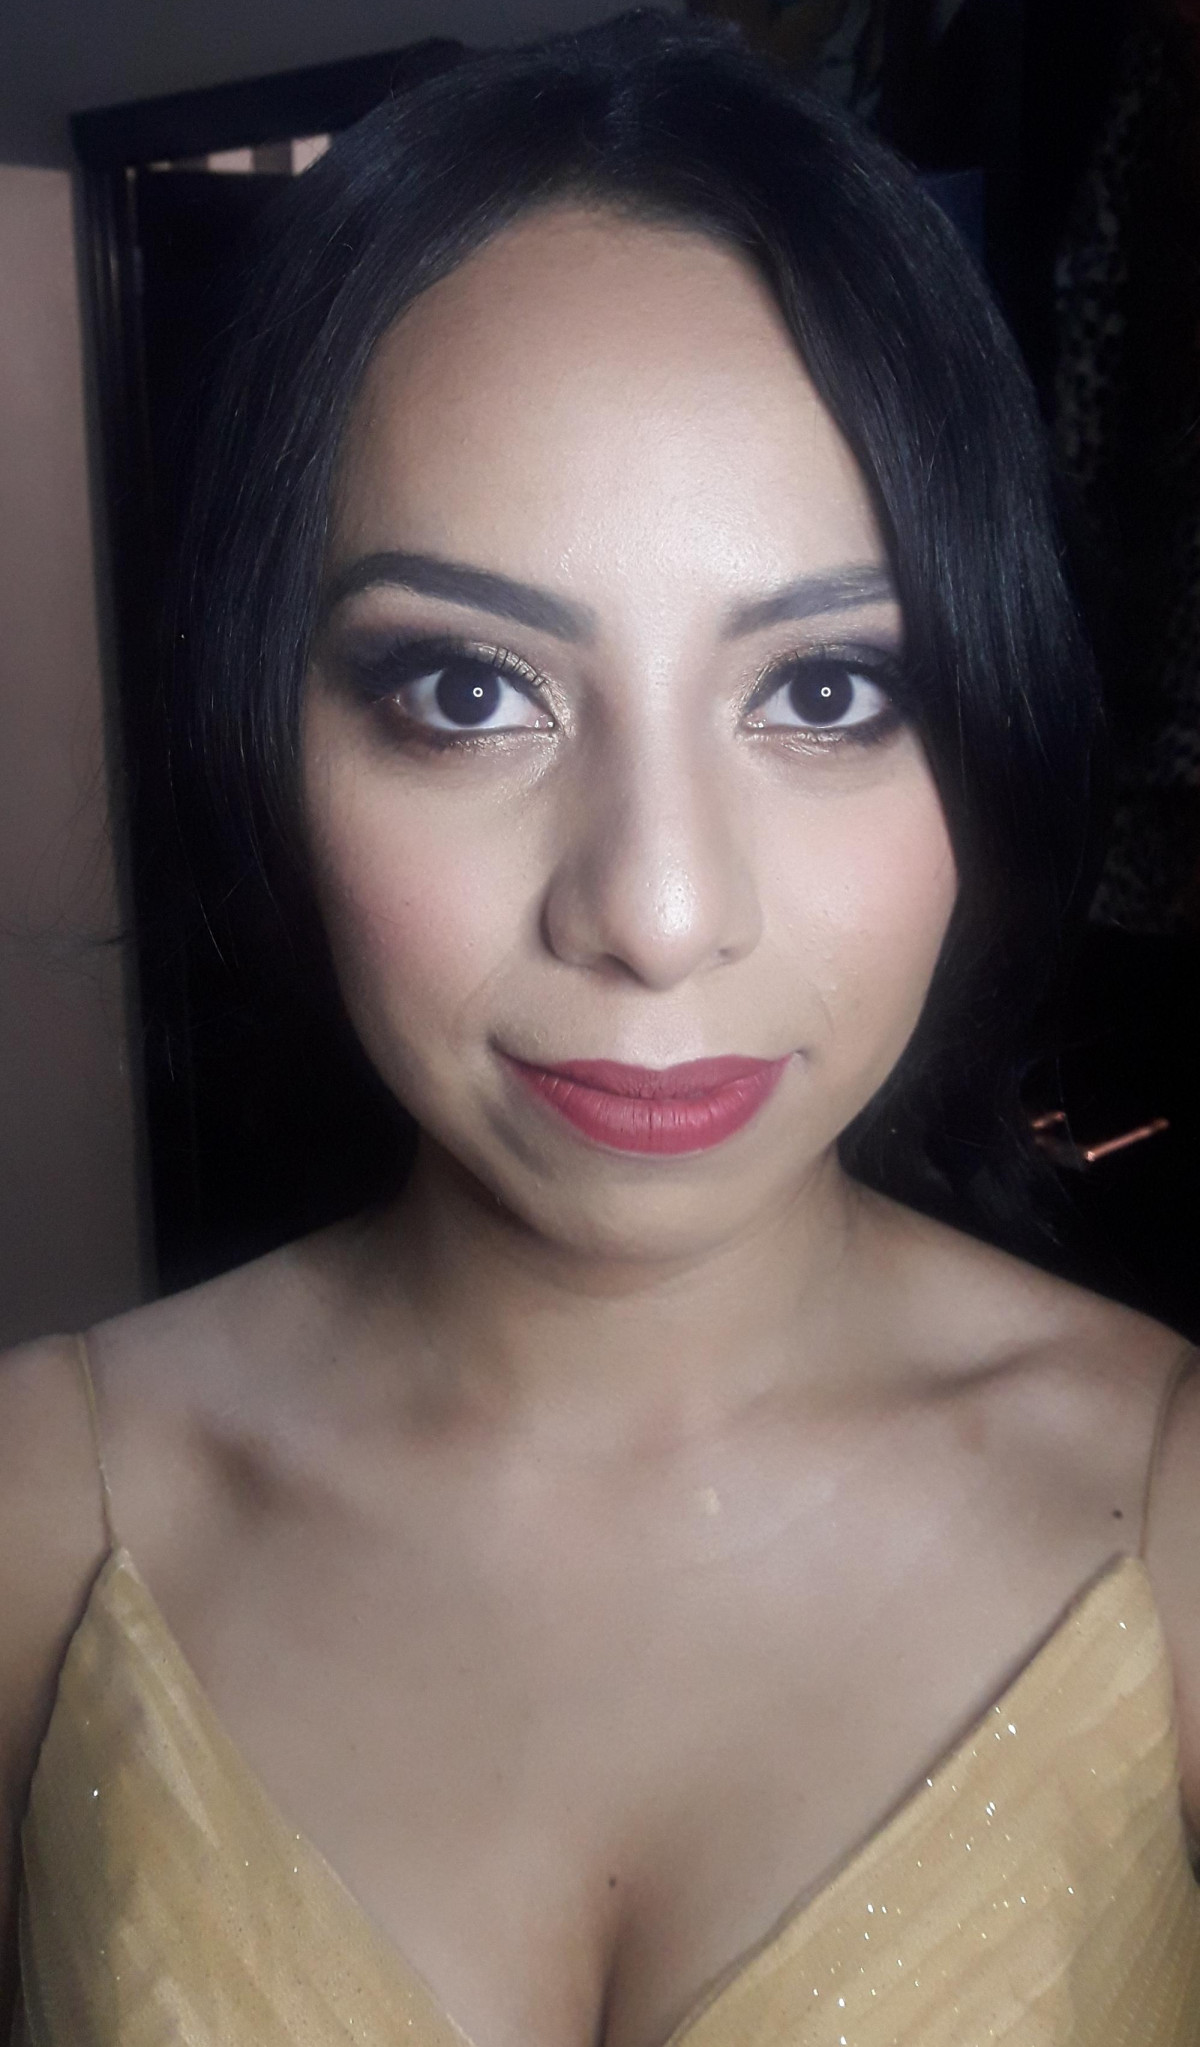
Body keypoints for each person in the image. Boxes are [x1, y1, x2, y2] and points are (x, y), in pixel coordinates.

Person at [1, 14, 1197, 2043]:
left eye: (826, 693)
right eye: (469, 693)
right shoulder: (46, 1504)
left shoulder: (1167, 1505)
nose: (653, 913)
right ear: (268, 735)